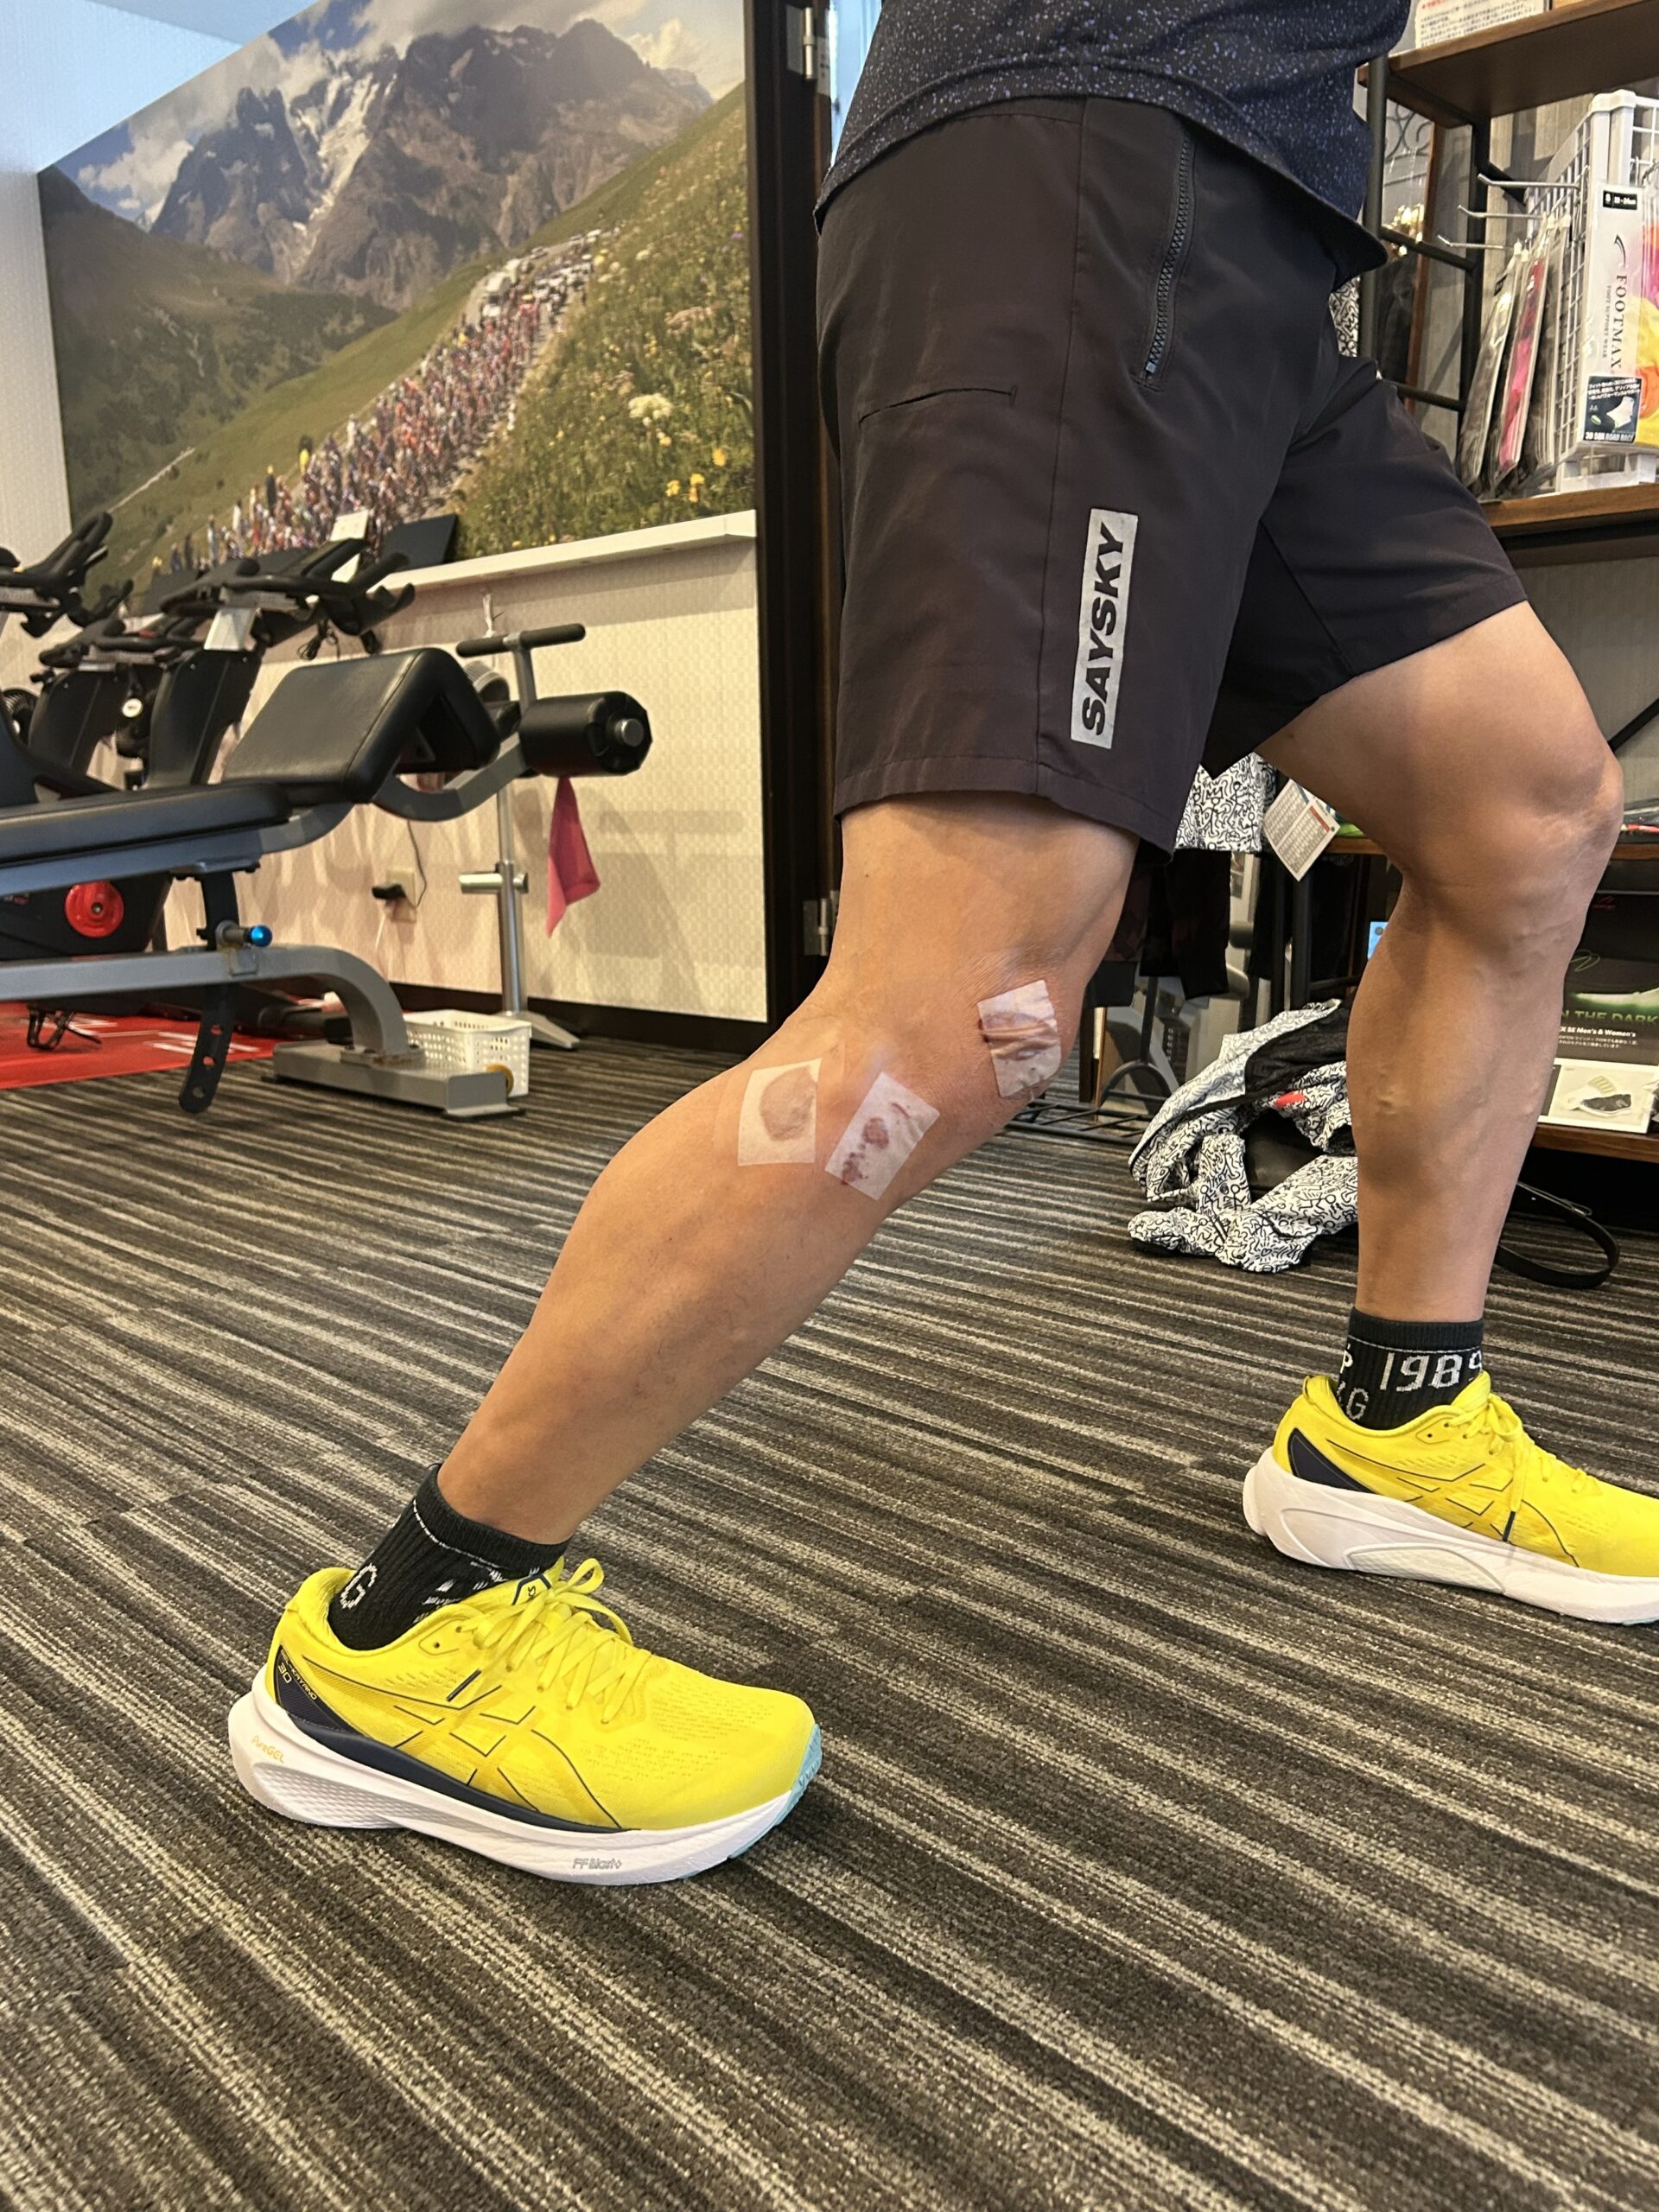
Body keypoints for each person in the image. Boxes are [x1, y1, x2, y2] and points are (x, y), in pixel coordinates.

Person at [230, 2, 1659, 1886]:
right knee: (966, 1008)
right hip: (1082, 150)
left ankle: (1400, 1421)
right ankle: (412, 1625)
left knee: (1531, 810)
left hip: (1259, 240)